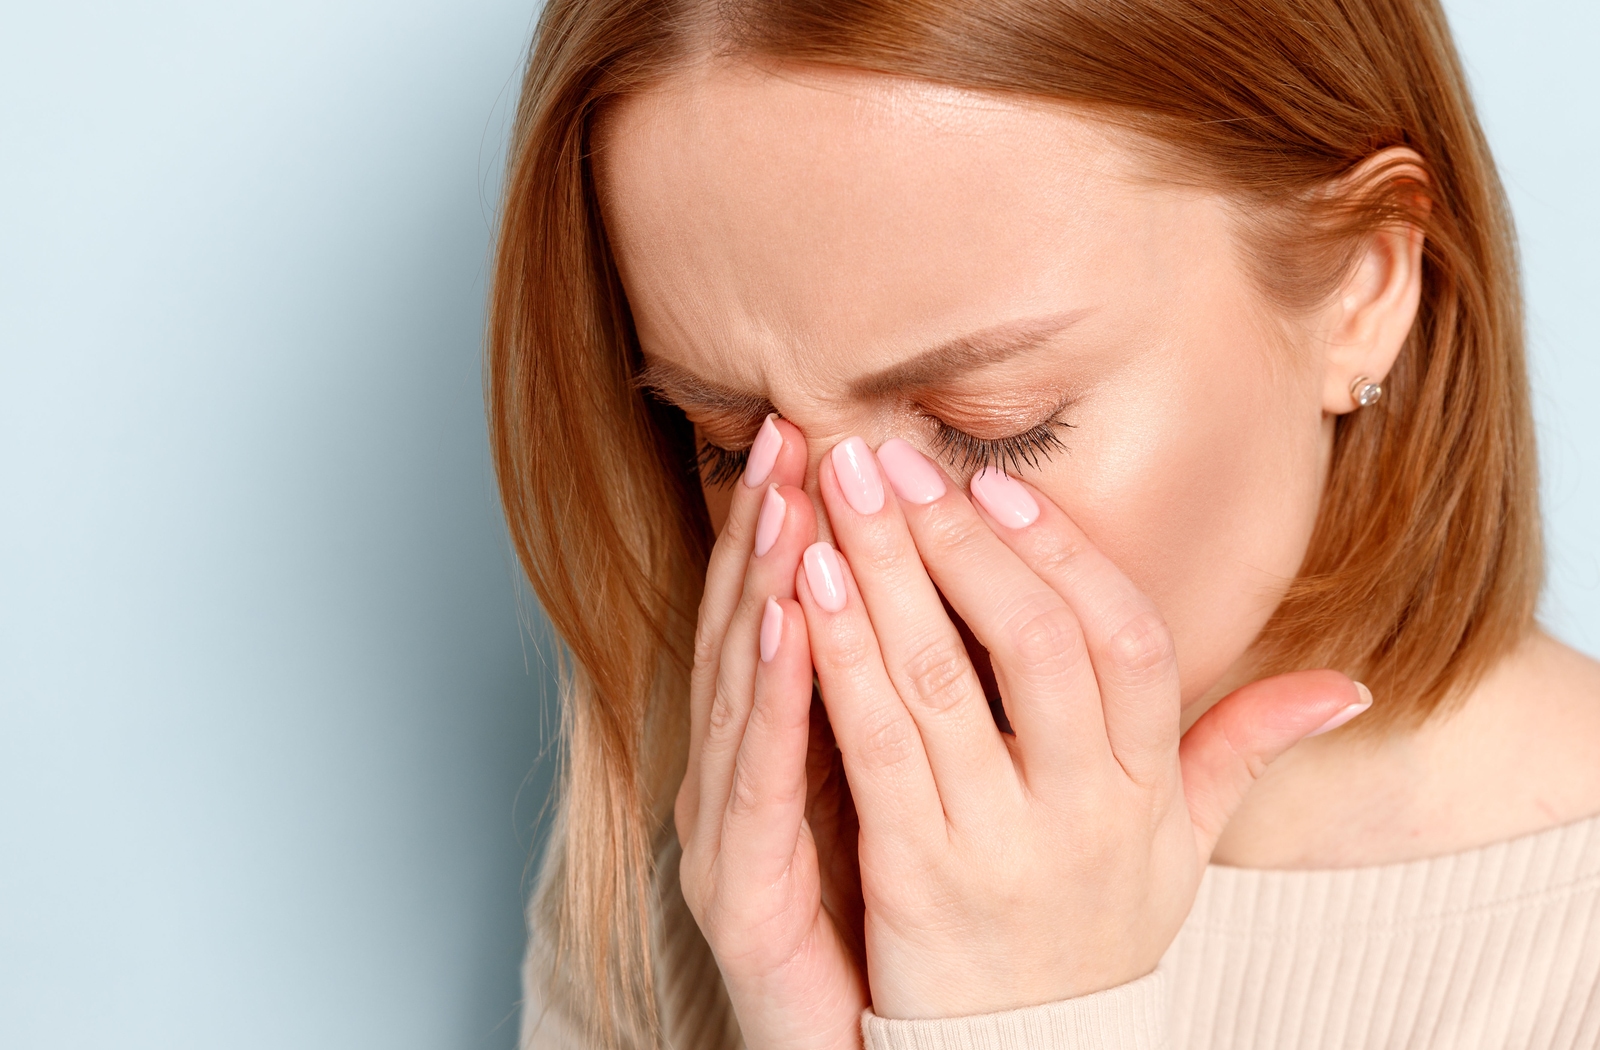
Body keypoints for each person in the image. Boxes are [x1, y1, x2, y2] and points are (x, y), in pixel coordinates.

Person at [485, 1, 1600, 1046]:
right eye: (730, 438)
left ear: (1362, 286)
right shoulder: (712, 862)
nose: (853, 567)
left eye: (990, 429)